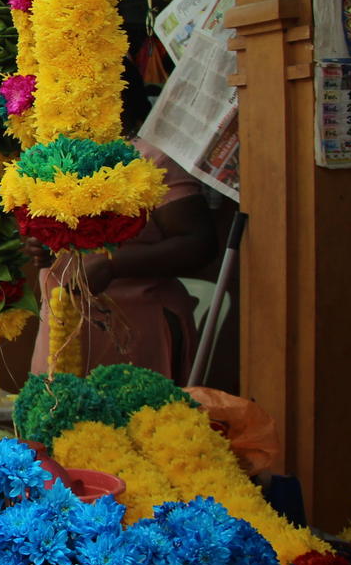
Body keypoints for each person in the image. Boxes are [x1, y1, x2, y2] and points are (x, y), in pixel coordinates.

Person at [29, 77, 218, 379]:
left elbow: (198, 243)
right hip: (64, 325)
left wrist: (113, 265)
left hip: (135, 329)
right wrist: (44, 247)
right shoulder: (59, 157)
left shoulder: (152, 158)